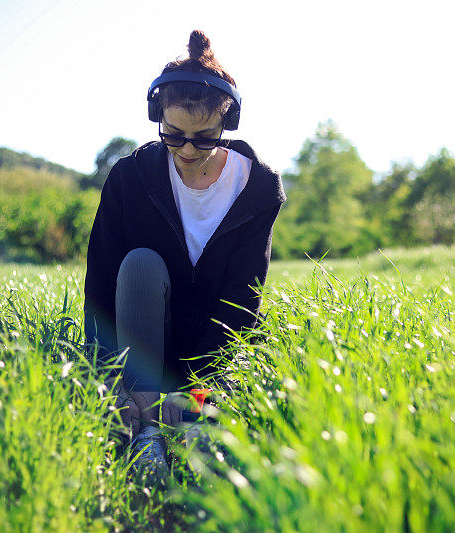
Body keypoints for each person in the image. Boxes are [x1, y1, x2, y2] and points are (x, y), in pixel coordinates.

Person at [83, 29, 286, 475]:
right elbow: (99, 282)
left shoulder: (258, 188)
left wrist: (196, 387)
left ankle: (196, 418)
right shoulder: (128, 178)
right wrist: (107, 379)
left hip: (215, 350)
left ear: (226, 124)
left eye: (204, 136)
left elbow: (243, 297)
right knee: (139, 264)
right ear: (158, 117)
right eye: (174, 135)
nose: (189, 149)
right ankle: (146, 432)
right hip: (141, 347)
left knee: (210, 436)